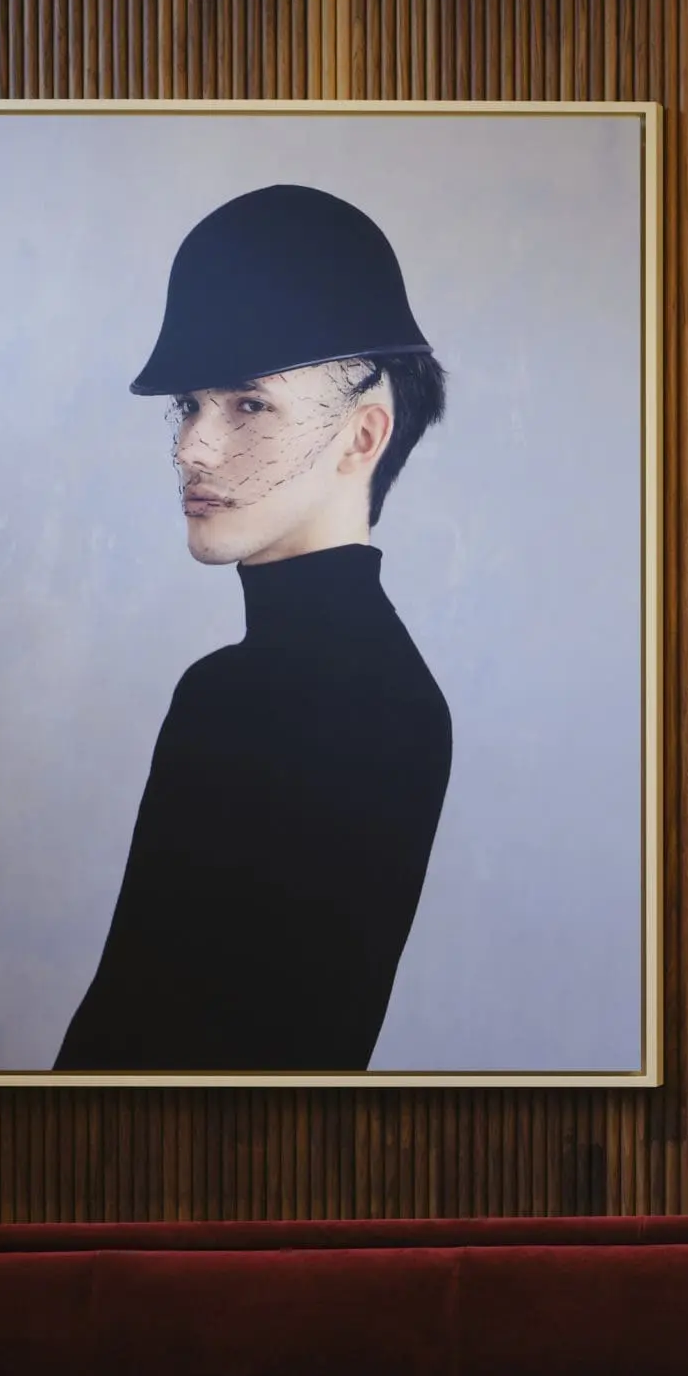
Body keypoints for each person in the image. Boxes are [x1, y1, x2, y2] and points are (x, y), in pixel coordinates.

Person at [56, 184, 453, 1073]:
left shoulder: (251, 697)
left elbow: (142, 1040)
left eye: (247, 405)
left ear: (362, 437)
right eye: (190, 406)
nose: (191, 447)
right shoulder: (393, 691)